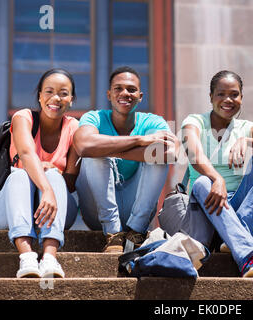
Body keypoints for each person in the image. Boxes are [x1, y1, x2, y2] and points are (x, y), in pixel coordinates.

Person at [180, 70, 253, 277]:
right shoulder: (195, 121)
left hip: (240, 203)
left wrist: (247, 141)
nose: (228, 99)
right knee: (201, 183)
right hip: (207, 203)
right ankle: (250, 255)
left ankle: (238, 231)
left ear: (241, 98)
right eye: (221, 94)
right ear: (211, 97)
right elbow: (193, 154)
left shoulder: (246, 127)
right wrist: (217, 178)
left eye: (234, 94)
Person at [73, 66, 178, 252]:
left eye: (131, 89)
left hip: (135, 208)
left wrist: (111, 149)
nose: (125, 93)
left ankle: (136, 232)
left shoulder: (152, 122)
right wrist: (139, 141)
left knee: (157, 158)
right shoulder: (94, 117)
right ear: (109, 94)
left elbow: (170, 153)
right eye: (118, 88)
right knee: (93, 154)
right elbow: (83, 146)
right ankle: (113, 234)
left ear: (140, 96)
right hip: (96, 211)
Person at [0, 68, 80, 278]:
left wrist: (53, 175)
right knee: (20, 174)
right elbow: (26, 153)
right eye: (49, 91)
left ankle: (50, 257)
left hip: (55, 211)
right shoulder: (23, 118)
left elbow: (71, 181)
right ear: (39, 95)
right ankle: (27, 257)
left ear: (72, 99)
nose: (55, 98)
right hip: (10, 207)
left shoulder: (74, 126)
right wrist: (45, 187)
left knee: (54, 175)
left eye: (63, 93)